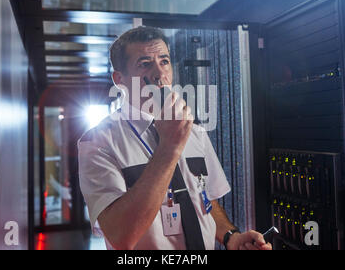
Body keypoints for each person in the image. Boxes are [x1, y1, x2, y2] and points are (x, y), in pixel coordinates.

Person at [78, 26, 272, 251]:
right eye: (145, 64)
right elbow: (121, 236)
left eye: (164, 61)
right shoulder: (98, 143)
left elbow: (204, 199)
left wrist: (231, 237)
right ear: (119, 79)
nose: (159, 75)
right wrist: (169, 148)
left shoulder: (193, 130)